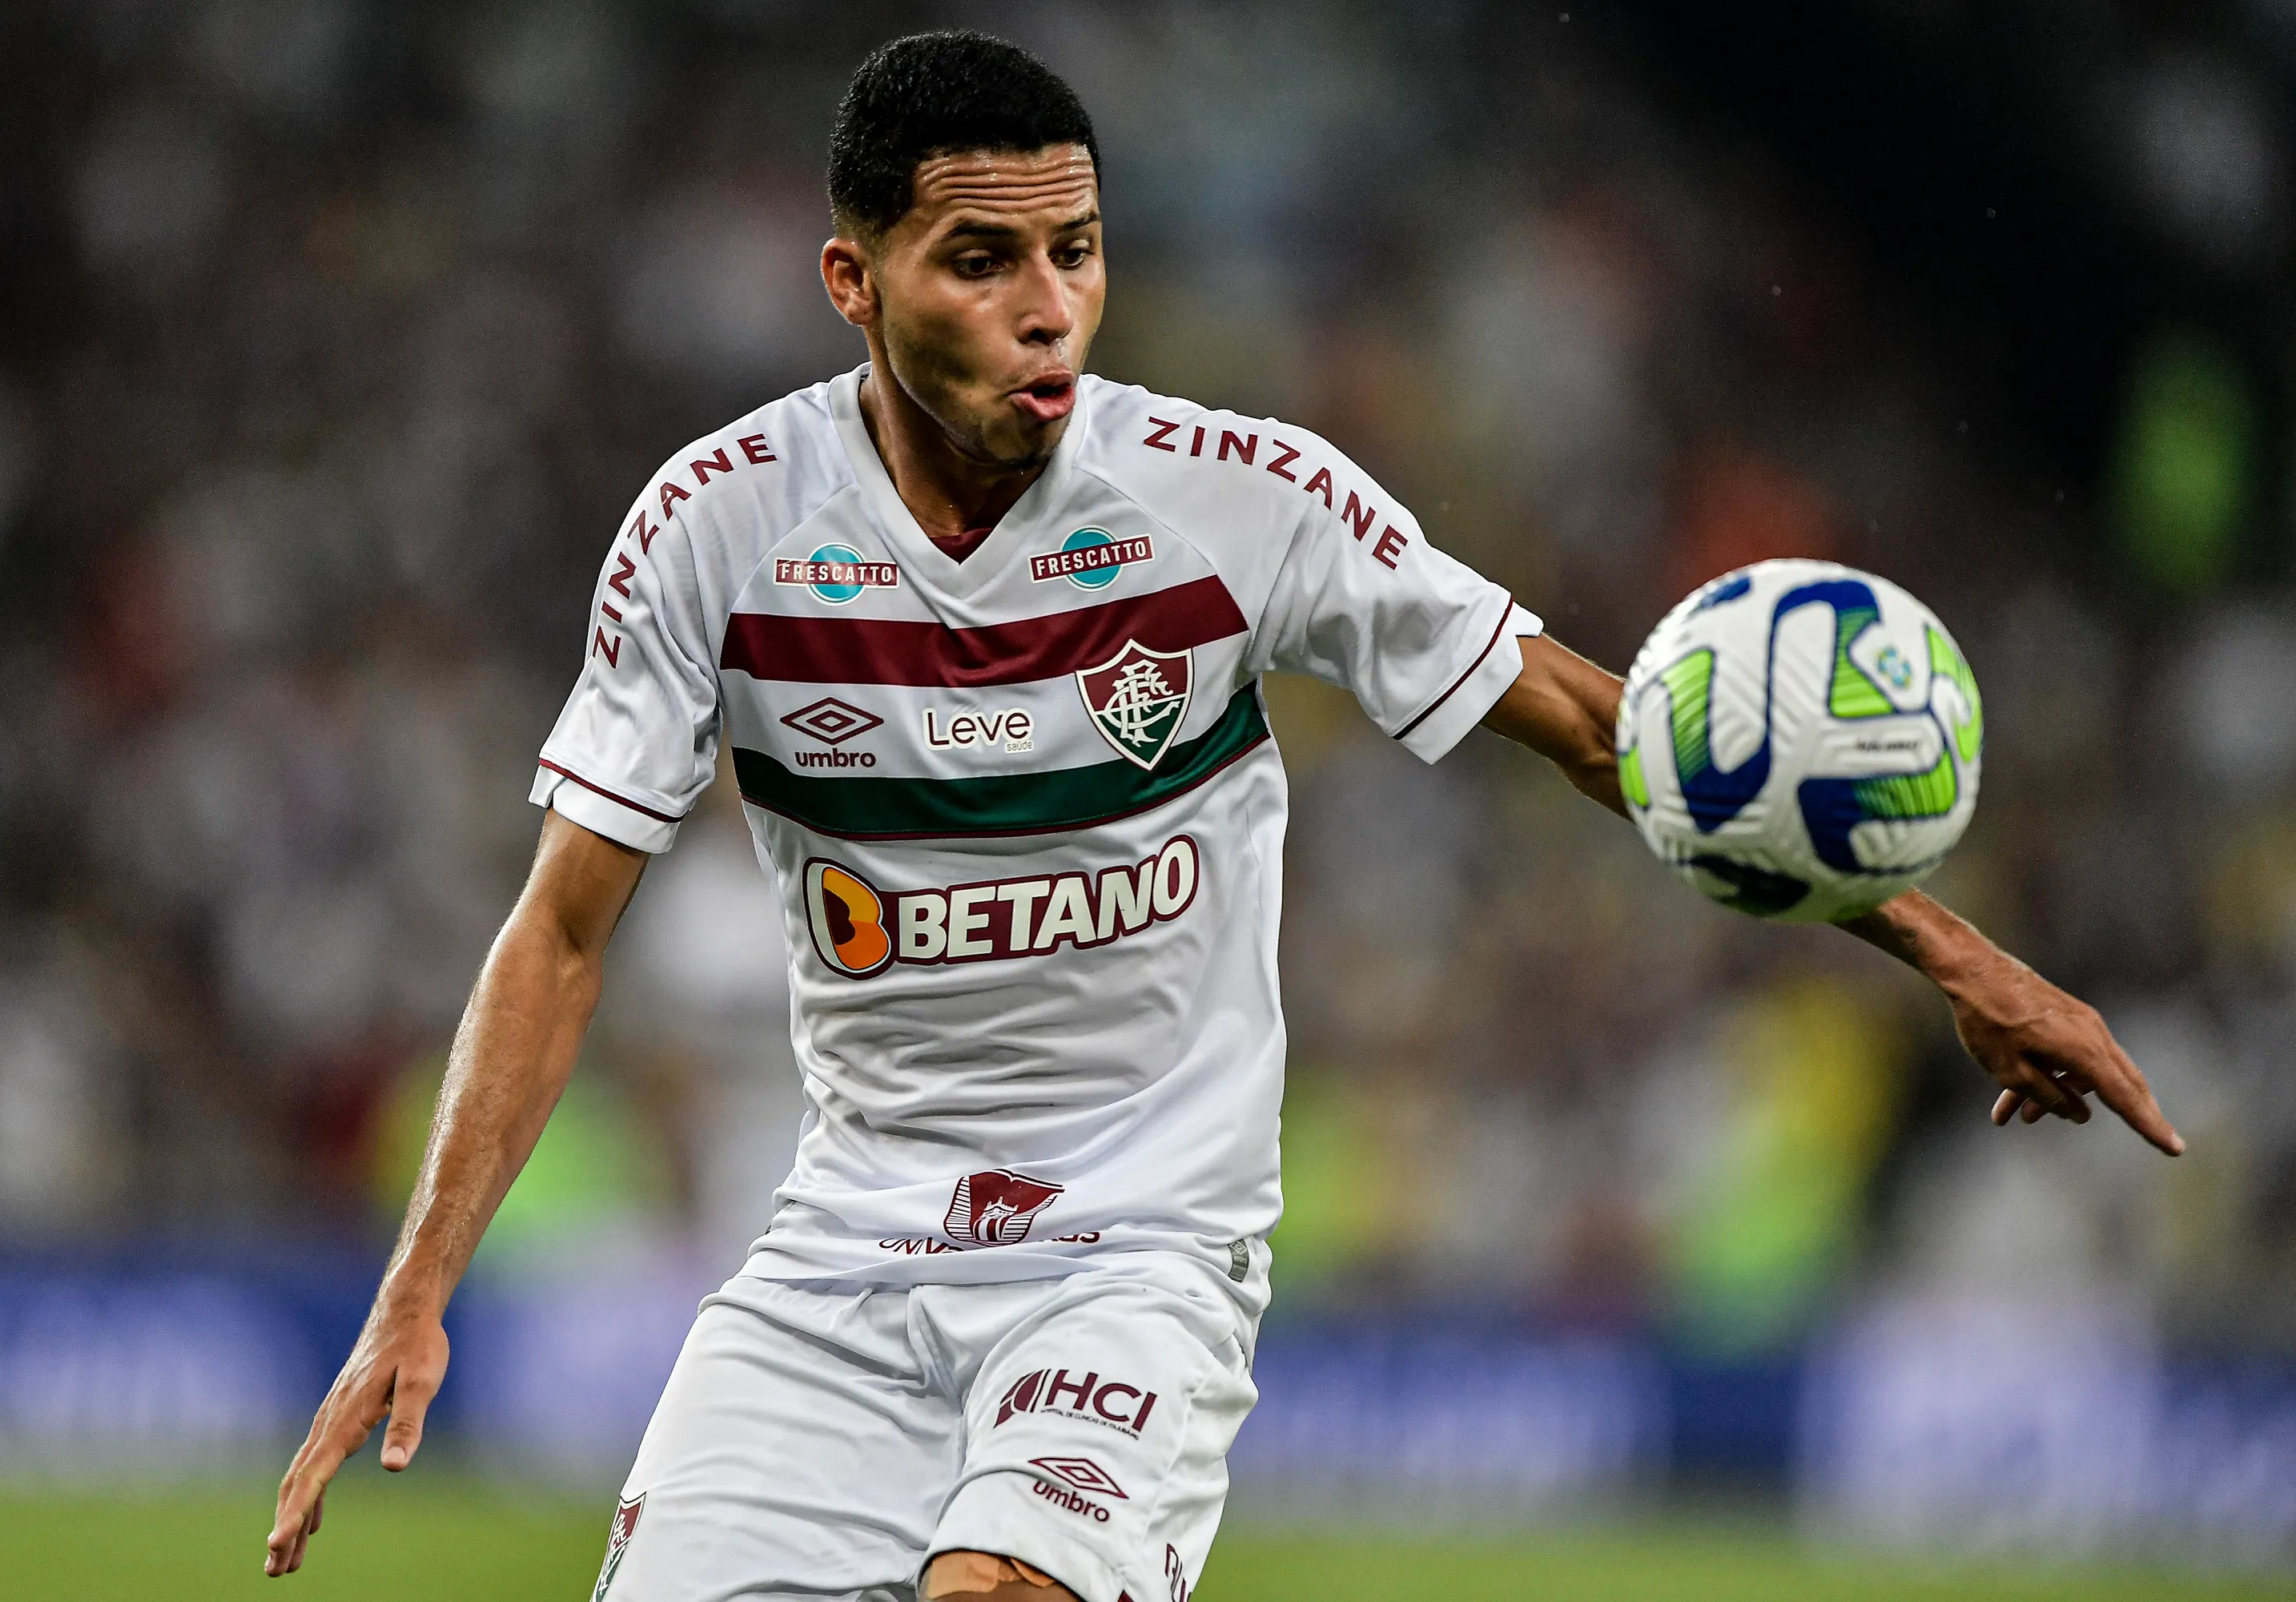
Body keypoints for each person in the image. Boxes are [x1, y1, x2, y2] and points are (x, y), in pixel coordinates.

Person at [264, 28, 2182, 1602]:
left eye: (1078, 252)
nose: (1051, 309)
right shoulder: (717, 530)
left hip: (1140, 1249)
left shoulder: (1235, 498)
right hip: (843, 1251)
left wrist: (1955, 945)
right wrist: (417, 1289)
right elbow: (566, 925)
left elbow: (1615, 731)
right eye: (984, 261)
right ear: (852, 281)